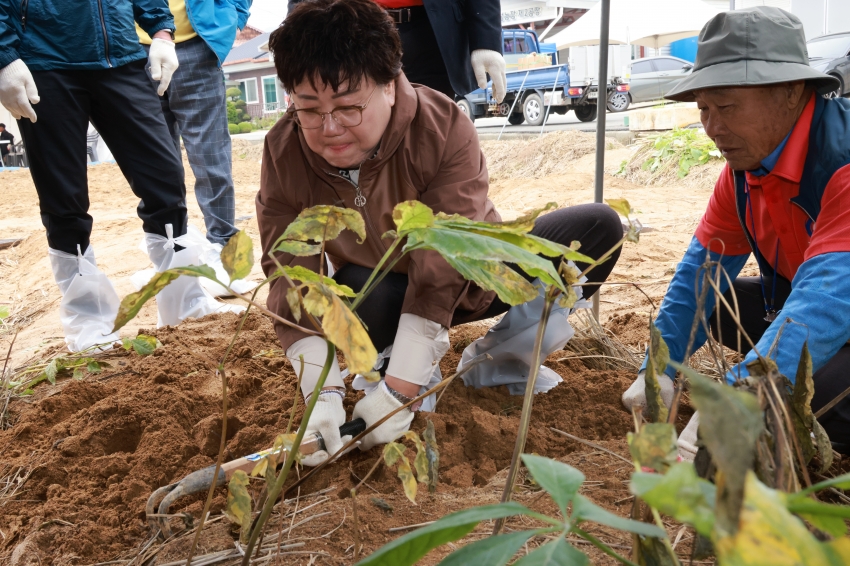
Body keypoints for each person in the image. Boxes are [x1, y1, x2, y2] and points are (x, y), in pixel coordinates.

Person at [257, 0, 623, 465]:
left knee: (598, 227)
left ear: (389, 86)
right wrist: (321, 394)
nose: (330, 129)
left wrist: (398, 394)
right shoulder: (285, 149)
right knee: (356, 289)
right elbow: (290, 273)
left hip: (477, 278)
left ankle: (499, 360)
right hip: (381, 293)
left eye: (349, 108)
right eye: (309, 109)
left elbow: (442, 268)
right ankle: (385, 366)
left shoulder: (443, 126)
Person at [621, 7, 850, 457]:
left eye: (726, 106)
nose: (712, 127)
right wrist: (660, 370)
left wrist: (741, 394)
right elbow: (701, 274)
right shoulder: (742, 171)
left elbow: (827, 300)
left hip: (835, 300)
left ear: (790, 91)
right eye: (704, 108)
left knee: (811, 398)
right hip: (807, 298)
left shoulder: (841, 161)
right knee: (714, 308)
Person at [0, 0, 240, 352]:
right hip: (44, 60)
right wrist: (3, 55)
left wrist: (161, 31)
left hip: (121, 56)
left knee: (165, 177)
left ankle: (184, 301)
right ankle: (89, 320)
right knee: (63, 194)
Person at [136, 0, 257, 296]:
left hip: (196, 43)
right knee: (154, 164)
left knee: (210, 157)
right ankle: (171, 255)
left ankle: (222, 252)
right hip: (135, 49)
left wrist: (233, 20)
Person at [288, 0, 507, 102]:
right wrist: (297, 43)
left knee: (433, 130)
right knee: (359, 122)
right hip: (352, 32)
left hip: (431, 34)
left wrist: (486, 40)